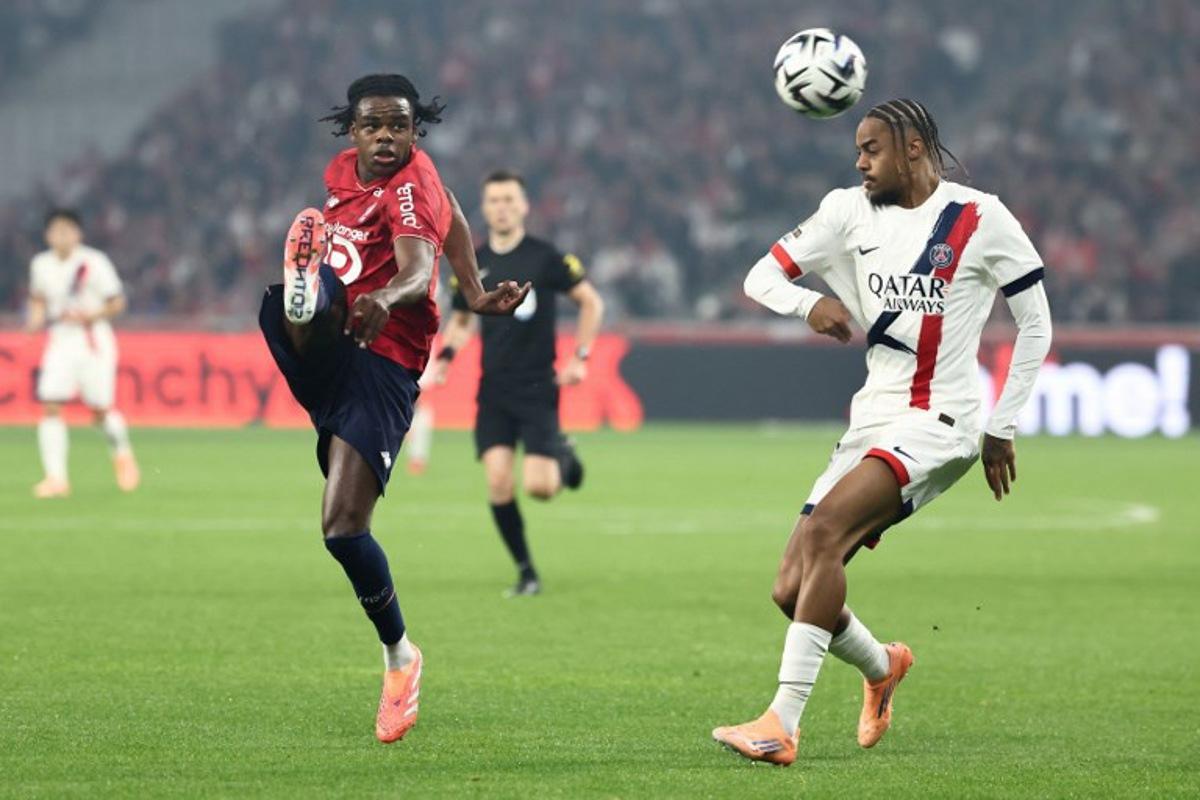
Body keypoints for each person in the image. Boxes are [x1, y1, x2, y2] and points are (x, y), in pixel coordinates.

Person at [712, 98, 1053, 765]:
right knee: (790, 586)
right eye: (857, 152)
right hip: (873, 416)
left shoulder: (981, 217)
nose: (861, 162)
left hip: (941, 420)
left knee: (823, 535)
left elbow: (1036, 323)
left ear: (915, 148)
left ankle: (782, 722)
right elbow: (761, 276)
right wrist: (808, 302)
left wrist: (1002, 426)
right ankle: (882, 666)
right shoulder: (847, 211)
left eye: (872, 149)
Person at [257, 74, 528, 744]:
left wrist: (400, 293)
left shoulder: (413, 185)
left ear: (416, 131)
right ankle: (306, 295)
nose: (386, 138)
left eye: (399, 127)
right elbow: (459, 208)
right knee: (305, 294)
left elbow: (415, 265)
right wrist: (477, 285)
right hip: (340, 332)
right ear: (353, 130)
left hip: (385, 357)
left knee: (343, 530)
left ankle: (400, 656)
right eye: (374, 126)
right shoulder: (345, 172)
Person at [428, 169, 605, 597]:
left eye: (509, 200)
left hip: (537, 388)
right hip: (494, 391)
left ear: (524, 206)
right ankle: (527, 572)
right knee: (498, 483)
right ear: (484, 208)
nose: (502, 207)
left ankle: (563, 455)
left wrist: (580, 358)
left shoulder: (546, 257)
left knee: (541, 489)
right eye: (494, 200)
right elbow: (464, 319)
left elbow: (591, 303)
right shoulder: (473, 262)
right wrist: (446, 358)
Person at [25, 209, 140, 498]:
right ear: (47, 235)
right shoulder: (41, 264)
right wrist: (34, 321)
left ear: (78, 234)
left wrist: (91, 315)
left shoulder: (94, 262)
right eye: (56, 231)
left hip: (93, 340)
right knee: (51, 403)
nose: (61, 236)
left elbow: (117, 302)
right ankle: (56, 478)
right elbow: (38, 298)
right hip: (61, 340)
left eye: (67, 230)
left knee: (100, 411)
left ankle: (122, 454)